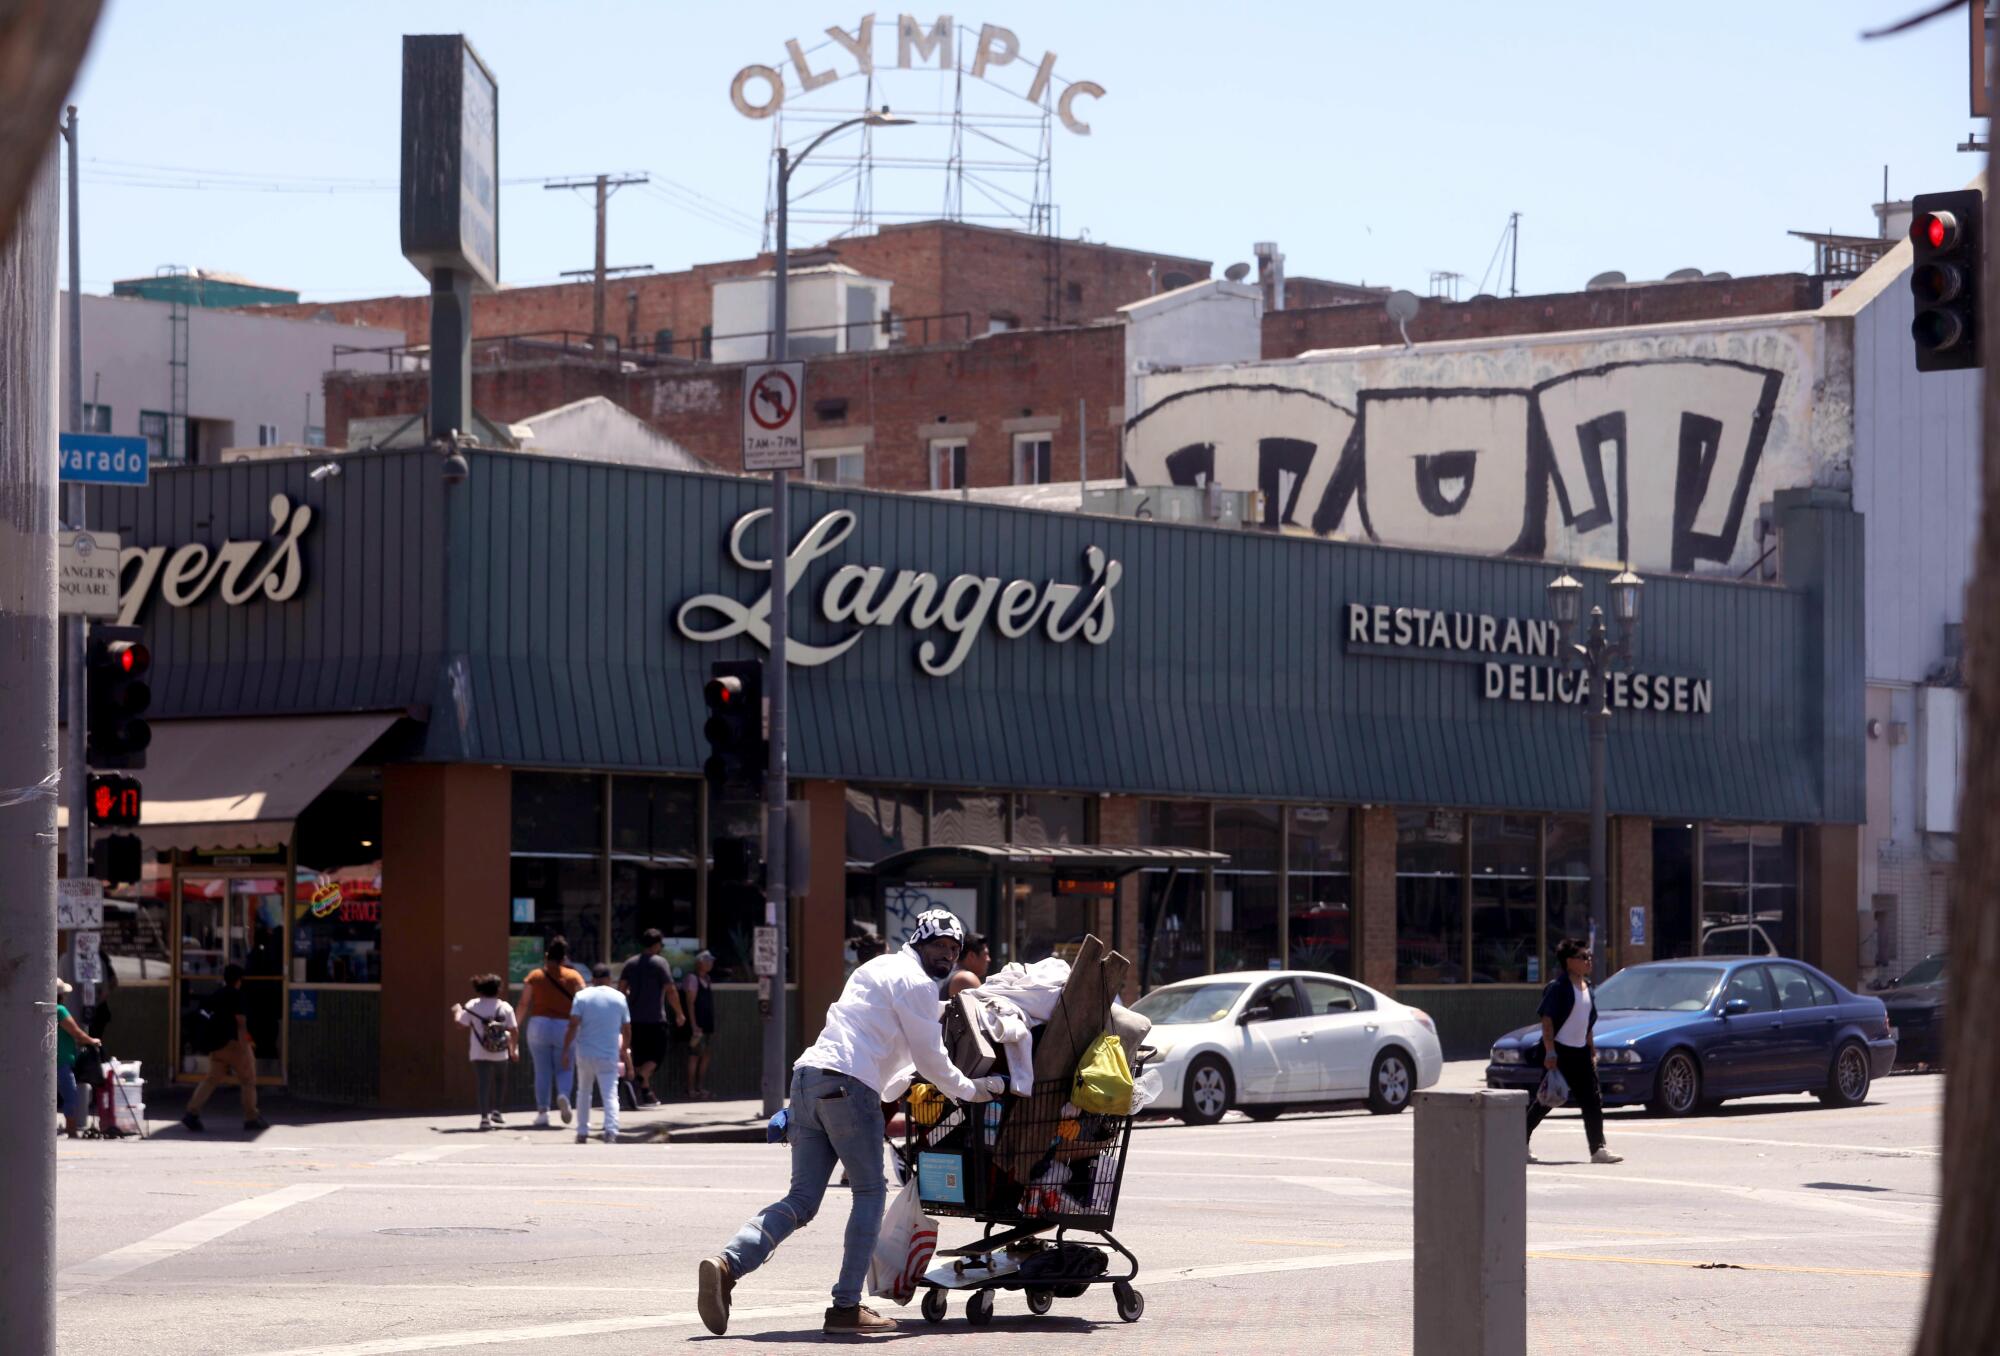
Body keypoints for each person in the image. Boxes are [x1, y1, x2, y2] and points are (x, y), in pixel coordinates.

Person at [697, 909, 1004, 1338]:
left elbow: (896, 1059)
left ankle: (728, 1263)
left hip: (808, 1079)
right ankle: (845, 1306)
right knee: (870, 1191)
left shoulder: (877, 968)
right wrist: (976, 1089)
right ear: (918, 941)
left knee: (802, 1199)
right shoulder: (915, 983)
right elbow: (932, 1061)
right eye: (939, 946)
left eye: (954, 949)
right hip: (847, 1084)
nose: (947, 955)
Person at [1526, 937, 1623, 1165]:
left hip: (1581, 1053)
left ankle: (1598, 1149)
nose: (1588, 961)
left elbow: (1586, 1023)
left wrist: (1591, 1051)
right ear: (1569, 961)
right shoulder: (1558, 988)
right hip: (1560, 1053)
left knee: (1592, 1100)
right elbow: (1547, 1021)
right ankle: (1519, 1140)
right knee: (1546, 1100)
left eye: (1589, 957)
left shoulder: (1588, 987)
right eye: (1583, 957)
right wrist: (1550, 1052)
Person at [182, 964, 268, 1133]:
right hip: (235, 1044)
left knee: (211, 1079)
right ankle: (251, 1117)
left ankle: (191, 1113)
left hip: (216, 1046)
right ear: (239, 980)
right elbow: (241, 1024)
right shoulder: (238, 996)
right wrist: (245, 1048)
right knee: (248, 1080)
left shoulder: (216, 994)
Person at [518, 937, 586, 1129]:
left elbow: (524, 1002)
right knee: (565, 1065)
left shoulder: (535, 976)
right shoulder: (574, 976)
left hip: (539, 1024)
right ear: (564, 958)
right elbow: (583, 1000)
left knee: (542, 1070)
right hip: (565, 1026)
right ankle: (563, 1094)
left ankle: (542, 1112)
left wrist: (515, 1026)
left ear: (547, 956)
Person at [562, 962, 633, 1144]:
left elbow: (573, 1024)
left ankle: (582, 1131)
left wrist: (565, 1050)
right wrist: (624, 1048)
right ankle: (611, 1130)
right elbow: (627, 1028)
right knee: (610, 1093)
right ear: (609, 979)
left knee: (584, 1091)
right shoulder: (619, 998)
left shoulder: (582, 997)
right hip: (609, 1054)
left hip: (584, 1052)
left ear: (592, 979)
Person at [618, 929, 687, 1105]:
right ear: (656, 945)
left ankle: (646, 1092)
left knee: (639, 1056)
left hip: (633, 1019)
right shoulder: (660, 963)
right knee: (658, 1054)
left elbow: (621, 989)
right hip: (655, 1018)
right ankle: (642, 1078)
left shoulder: (630, 963)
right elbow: (671, 990)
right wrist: (679, 1012)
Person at [452, 974, 520, 1130]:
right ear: (498, 989)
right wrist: (514, 1049)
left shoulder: (473, 1005)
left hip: (479, 1051)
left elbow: (460, 1024)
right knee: (500, 1081)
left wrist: (456, 1010)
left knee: (483, 1084)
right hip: (501, 1052)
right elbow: (514, 1030)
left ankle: (484, 1118)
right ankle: (497, 1110)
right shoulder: (505, 1007)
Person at [53, 979, 102, 1138]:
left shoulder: (49, 1010)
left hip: (55, 1060)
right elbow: (76, 1033)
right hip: (62, 1061)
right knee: (71, 1095)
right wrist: (92, 1040)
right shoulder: (60, 1010)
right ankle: (72, 1130)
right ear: (60, 995)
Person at [682, 950, 718, 1100]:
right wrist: (694, 1025)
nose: (710, 963)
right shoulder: (692, 979)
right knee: (694, 1056)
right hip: (697, 1026)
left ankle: (700, 1087)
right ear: (699, 962)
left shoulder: (707, 979)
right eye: (707, 960)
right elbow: (690, 1003)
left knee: (705, 1055)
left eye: (711, 960)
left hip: (707, 1024)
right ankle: (691, 1089)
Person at [944, 932, 991, 997]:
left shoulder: (952, 973)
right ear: (971, 956)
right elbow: (979, 1007)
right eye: (985, 954)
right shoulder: (966, 978)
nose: (988, 959)